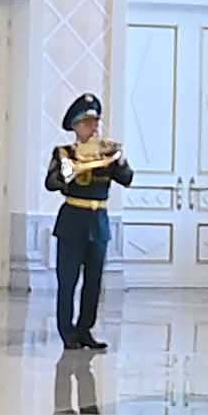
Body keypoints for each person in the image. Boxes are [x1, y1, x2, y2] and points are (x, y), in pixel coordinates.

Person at [48, 97, 133, 350]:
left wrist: (120, 160)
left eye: (95, 122)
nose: (93, 127)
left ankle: (85, 329)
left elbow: (126, 178)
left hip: (98, 223)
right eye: (87, 123)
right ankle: (67, 332)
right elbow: (51, 183)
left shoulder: (107, 152)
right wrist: (69, 171)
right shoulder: (64, 153)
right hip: (73, 220)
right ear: (76, 126)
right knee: (68, 281)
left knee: (93, 282)